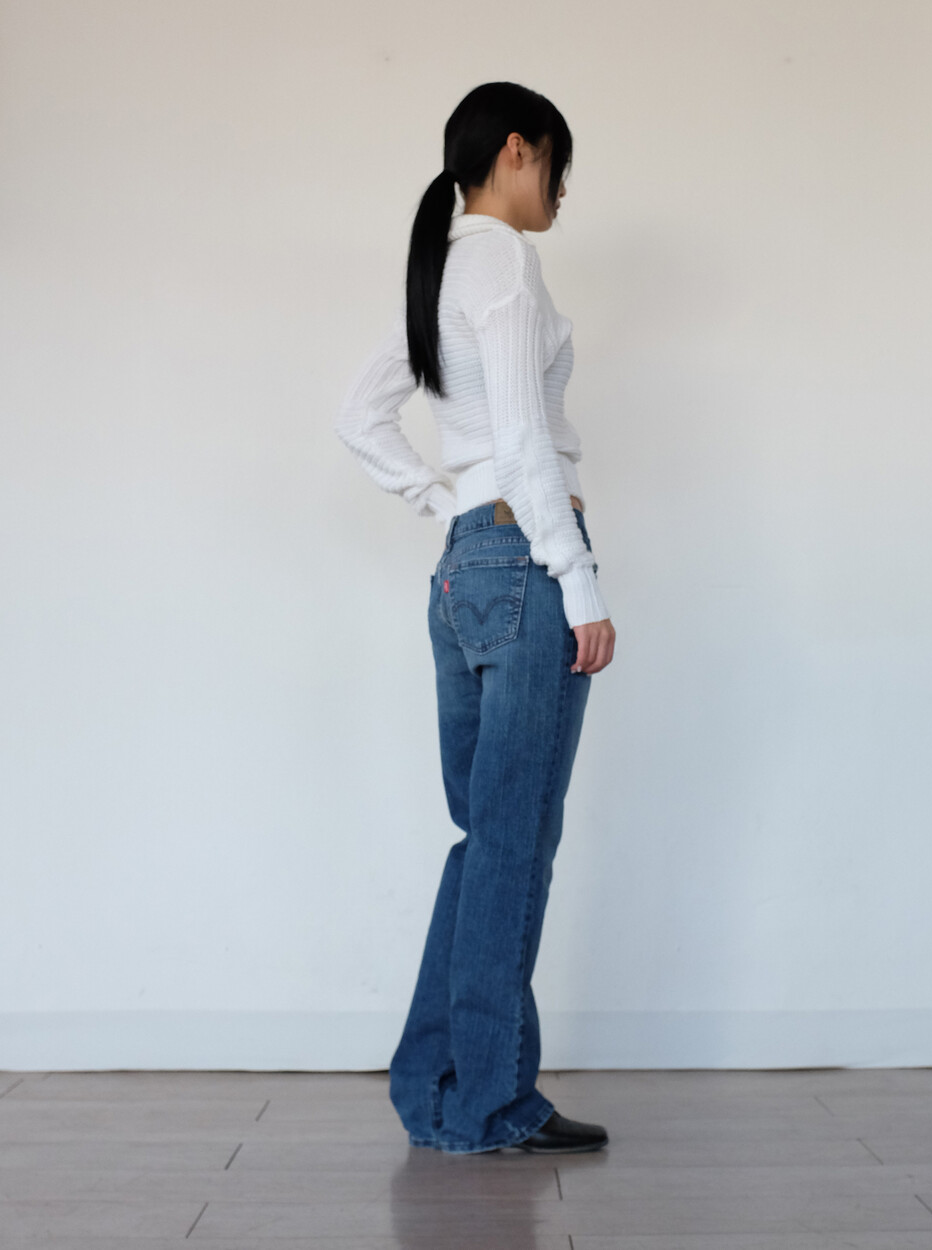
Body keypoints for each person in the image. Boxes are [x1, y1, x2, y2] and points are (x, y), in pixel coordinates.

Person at [335, 81, 615, 1154]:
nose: (559, 193)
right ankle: (488, 1101)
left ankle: (443, 1086)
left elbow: (358, 415)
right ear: (517, 150)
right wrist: (577, 580)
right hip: (526, 560)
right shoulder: (499, 259)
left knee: (486, 837)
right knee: (512, 841)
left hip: (464, 568)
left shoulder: (439, 266)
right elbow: (526, 440)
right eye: (557, 168)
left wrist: (443, 498)